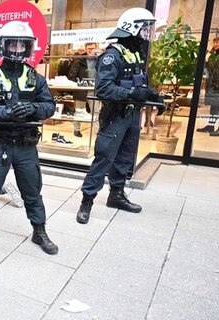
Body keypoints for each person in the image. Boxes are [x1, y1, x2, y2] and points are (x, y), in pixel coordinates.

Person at [0, 20, 58, 257]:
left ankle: (39, 230)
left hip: (26, 145)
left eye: (22, 44)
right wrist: (5, 113)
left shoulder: (35, 77)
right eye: (12, 44)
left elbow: (49, 106)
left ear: (28, 47)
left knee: (32, 191)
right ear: (2, 46)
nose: (17, 49)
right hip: (0, 144)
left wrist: (33, 109)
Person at [76, 8, 165, 224]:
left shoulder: (135, 54)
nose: (146, 33)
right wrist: (132, 93)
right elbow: (103, 89)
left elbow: (140, 83)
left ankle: (116, 195)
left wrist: (154, 96)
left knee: (125, 158)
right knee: (104, 158)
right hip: (116, 116)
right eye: (144, 28)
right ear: (132, 28)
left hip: (133, 115)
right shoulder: (112, 56)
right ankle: (86, 201)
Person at [68, 42, 98, 137]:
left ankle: (97, 131)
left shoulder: (99, 60)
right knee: (79, 110)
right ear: (85, 49)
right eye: (88, 48)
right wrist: (78, 84)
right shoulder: (79, 60)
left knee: (96, 111)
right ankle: (76, 130)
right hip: (81, 89)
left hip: (94, 89)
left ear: (96, 48)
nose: (90, 50)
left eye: (92, 48)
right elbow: (71, 75)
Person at [198, 36, 219, 136]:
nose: (216, 44)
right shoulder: (212, 54)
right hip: (212, 83)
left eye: (218, 42)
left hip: (218, 83)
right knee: (214, 106)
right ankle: (211, 125)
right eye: (214, 42)